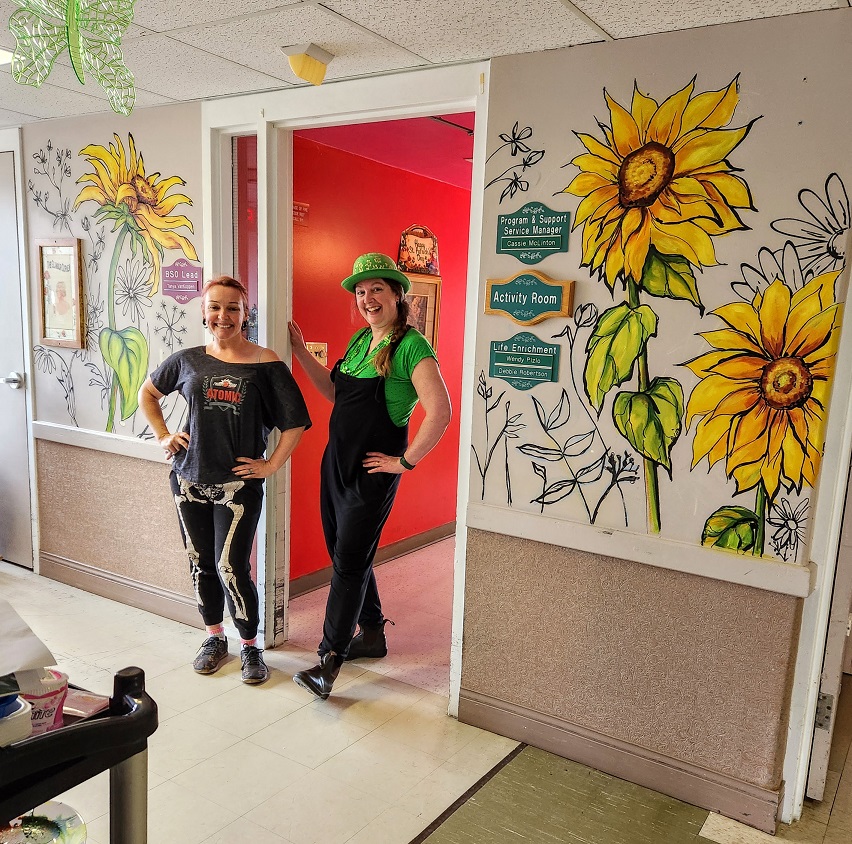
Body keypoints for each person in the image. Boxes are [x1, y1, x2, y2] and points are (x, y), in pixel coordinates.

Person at [288, 252, 451, 700]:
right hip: (335, 464)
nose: (367, 298)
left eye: (377, 288)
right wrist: (301, 352)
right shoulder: (361, 341)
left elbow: (440, 412)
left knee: (348, 564)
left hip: (371, 474)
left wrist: (405, 462)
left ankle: (329, 659)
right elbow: (333, 392)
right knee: (349, 555)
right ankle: (374, 633)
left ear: (398, 294)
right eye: (361, 292)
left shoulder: (411, 346)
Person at [139, 276, 311, 685]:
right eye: (215, 307)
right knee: (201, 565)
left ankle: (251, 646)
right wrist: (164, 435)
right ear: (203, 312)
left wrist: (271, 465)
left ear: (245, 313)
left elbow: (295, 423)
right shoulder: (187, 359)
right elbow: (148, 394)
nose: (223, 315)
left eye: (232, 307)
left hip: (238, 487)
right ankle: (214, 638)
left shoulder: (266, 363)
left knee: (231, 566)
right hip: (187, 478)